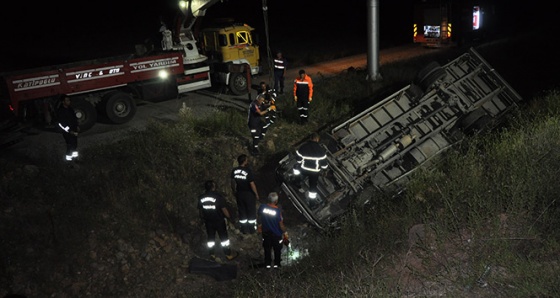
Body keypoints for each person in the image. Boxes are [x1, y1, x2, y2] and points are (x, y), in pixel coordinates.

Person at [197, 180, 238, 261]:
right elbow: (224, 209)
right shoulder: (218, 197)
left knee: (210, 239)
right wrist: (230, 218)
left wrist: (202, 219)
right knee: (224, 239)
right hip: (219, 221)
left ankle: (212, 254)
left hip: (208, 221)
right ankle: (228, 254)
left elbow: (200, 210)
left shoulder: (201, 197)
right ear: (213, 187)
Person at [293, 132, 328, 204]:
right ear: (317, 139)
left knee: (296, 168)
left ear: (310, 138)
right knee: (312, 187)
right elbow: (324, 165)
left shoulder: (303, 147)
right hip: (314, 173)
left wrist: (300, 164)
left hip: (304, 169)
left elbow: (298, 160)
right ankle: (312, 203)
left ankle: (297, 182)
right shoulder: (321, 151)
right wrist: (324, 170)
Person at [257, 192, 288, 269]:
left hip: (266, 234)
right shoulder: (277, 212)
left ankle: (267, 265)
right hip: (276, 235)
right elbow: (281, 225)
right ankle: (276, 265)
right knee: (277, 250)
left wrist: (261, 225)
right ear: (276, 201)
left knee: (267, 250)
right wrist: (285, 232)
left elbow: (259, 216)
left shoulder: (262, 207)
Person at [231, 154, 260, 234]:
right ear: (245, 161)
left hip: (239, 193)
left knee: (242, 211)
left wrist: (234, 191)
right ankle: (252, 229)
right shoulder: (248, 171)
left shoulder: (234, 170)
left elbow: (232, 182)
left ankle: (244, 229)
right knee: (251, 211)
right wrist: (256, 194)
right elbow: (252, 184)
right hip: (248, 194)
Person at [56, 94, 80, 161]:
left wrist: (77, 126)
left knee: (74, 145)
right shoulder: (61, 111)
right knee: (70, 145)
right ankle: (69, 160)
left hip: (74, 130)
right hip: (67, 132)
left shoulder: (70, 109)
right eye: (67, 100)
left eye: (69, 100)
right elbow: (62, 124)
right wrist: (69, 131)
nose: (69, 102)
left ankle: (75, 159)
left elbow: (74, 118)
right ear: (63, 102)